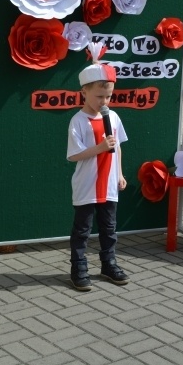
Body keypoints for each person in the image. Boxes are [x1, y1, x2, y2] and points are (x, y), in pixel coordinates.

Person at [66, 42, 130, 291]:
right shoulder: (78, 121)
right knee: (82, 229)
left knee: (109, 228)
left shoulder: (112, 117)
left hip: (109, 185)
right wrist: (100, 148)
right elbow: (73, 155)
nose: (105, 101)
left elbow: (119, 147)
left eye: (109, 96)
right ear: (84, 91)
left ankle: (108, 263)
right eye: (99, 96)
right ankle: (78, 266)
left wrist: (120, 173)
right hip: (87, 185)